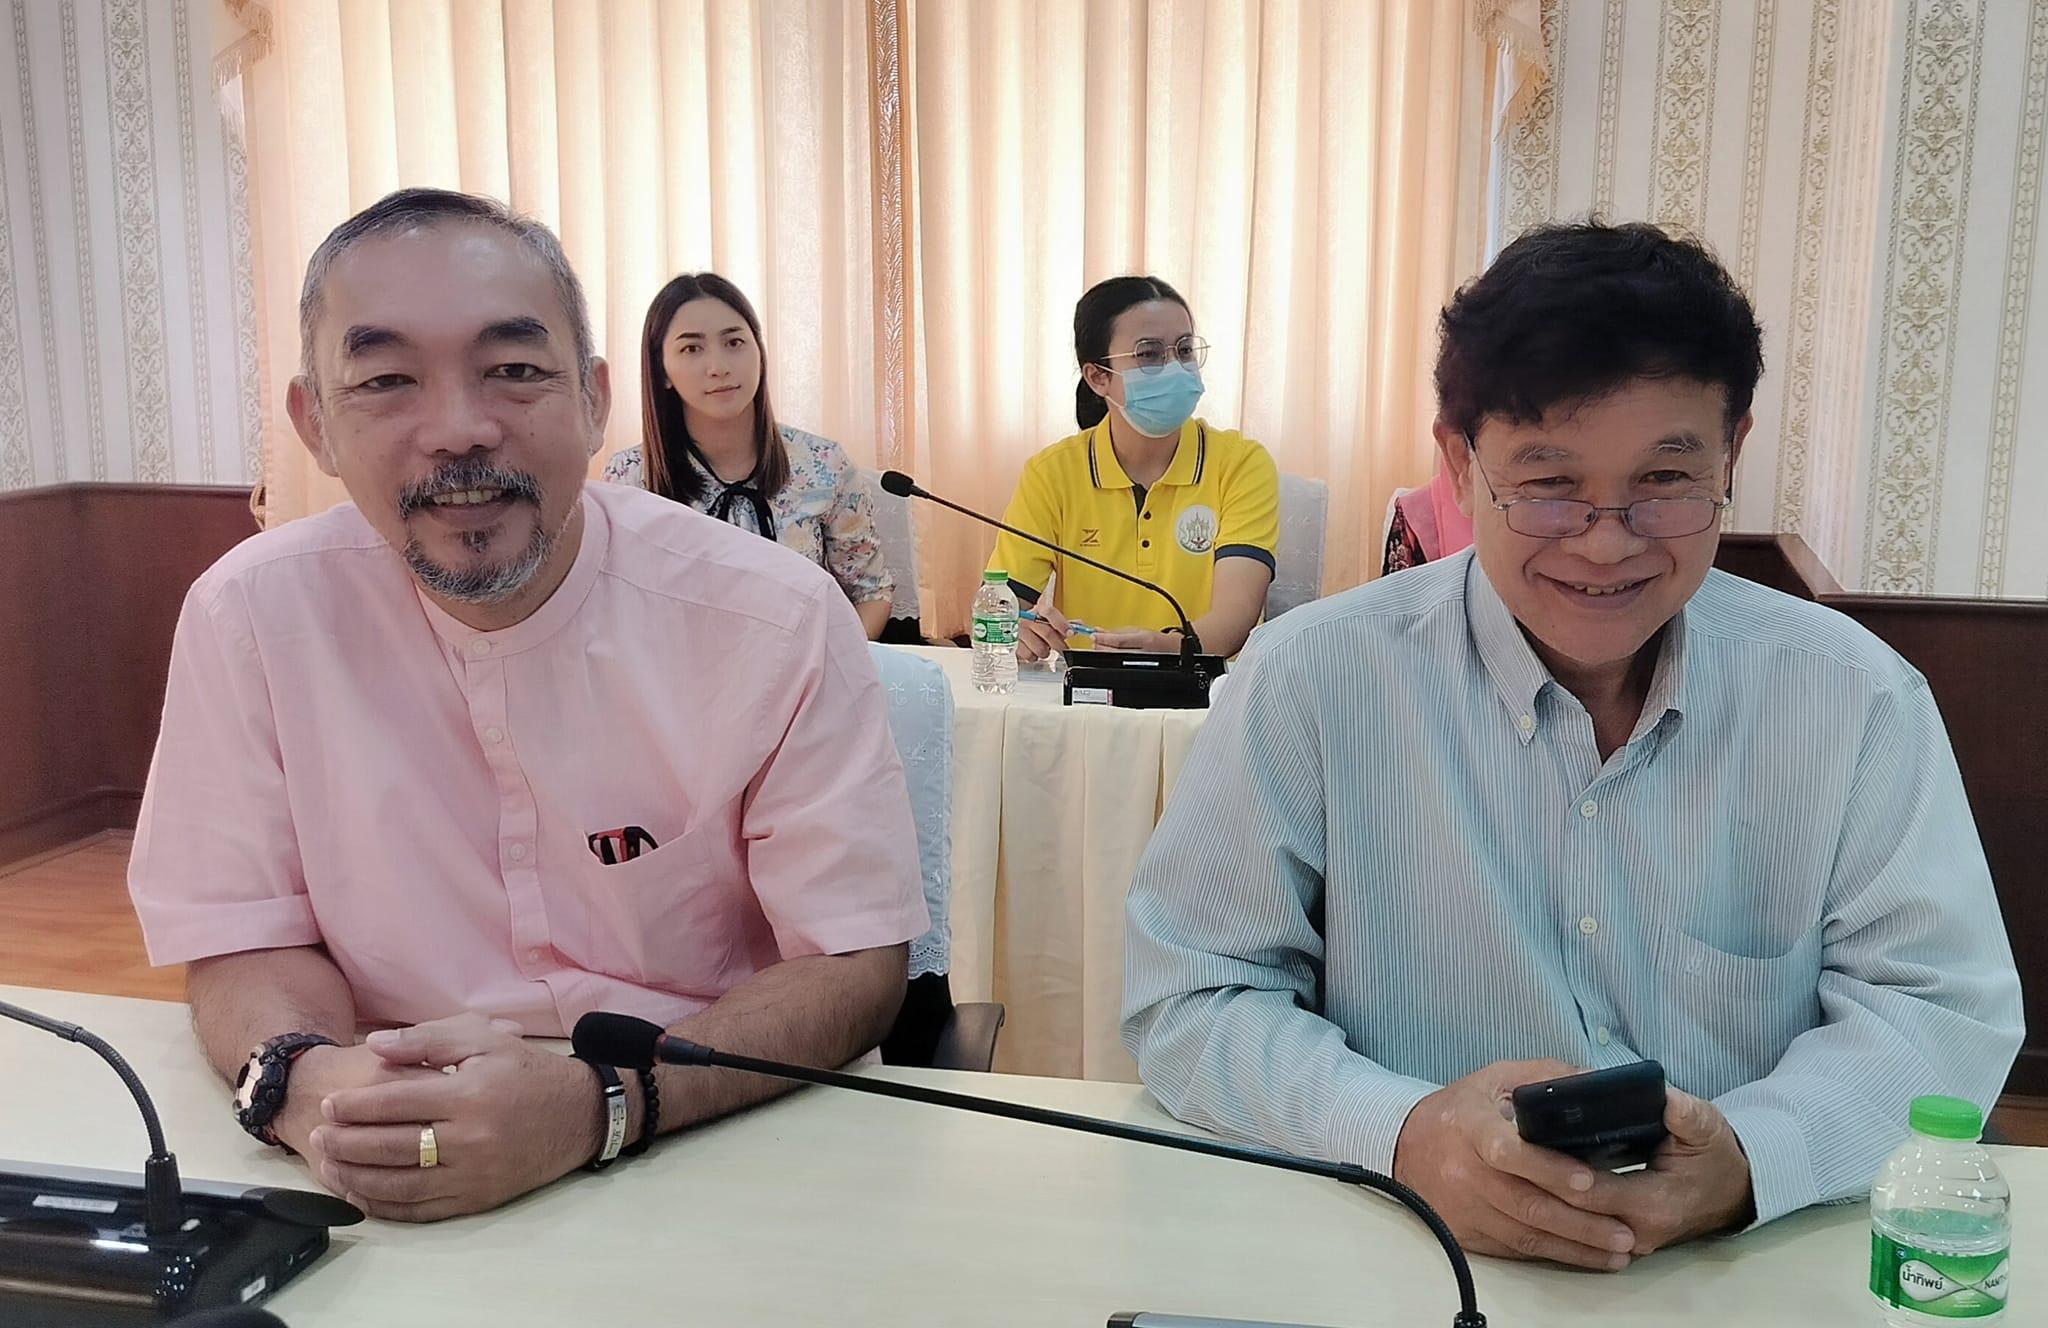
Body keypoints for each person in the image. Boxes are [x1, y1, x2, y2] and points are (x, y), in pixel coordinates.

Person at [1122, 221, 2023, 1270]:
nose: (1605, 540)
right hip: (1402, 1252)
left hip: (1749, 1264)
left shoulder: (1855, 697)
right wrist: (1400, 1132)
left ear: (1730, 454)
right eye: (1548, 483)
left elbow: (1936, 1008)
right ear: (1459, 464)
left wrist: (1748, 1157)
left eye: (1664, 479)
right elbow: (1194, 995)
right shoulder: (1310, 679)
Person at [127, 189, 928, 1222]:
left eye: (513, 369)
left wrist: (601, 1105)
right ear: (313, 423)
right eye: (385, 380)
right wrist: (310, 1085)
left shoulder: (772, 616)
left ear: (594, 400)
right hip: (386, 1149)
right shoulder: (247, 614)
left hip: (718, 1130)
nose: (459, 430)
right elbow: (242, 932)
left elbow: (852, 959)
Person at [990, 276, 1279, 660]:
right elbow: (998, 610)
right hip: (1090, 688)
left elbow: (1236, 616)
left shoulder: (1241, 464)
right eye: (1149, 354)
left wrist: (1166, 649)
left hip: (1207, 688)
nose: (1175, 367)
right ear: (1098, 377)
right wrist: (1015, 630)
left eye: (1184, 349)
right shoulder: (1052, 474)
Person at [604, 273, 895, 640]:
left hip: (806, 669)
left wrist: (835, 661)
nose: (718, 367)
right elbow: (616, 609)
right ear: (662, 370)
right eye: (692, 349)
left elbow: (871, 593)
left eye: (734, 342)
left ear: (759, 352)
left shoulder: (824, 463)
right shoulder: (630, 480)